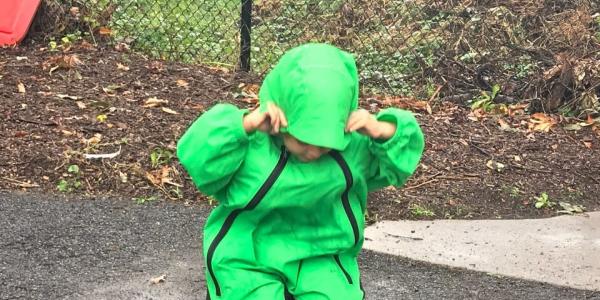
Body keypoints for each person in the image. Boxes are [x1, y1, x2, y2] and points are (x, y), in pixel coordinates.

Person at [177, 43, 424, 300]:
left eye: (325, 143)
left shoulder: (352, 148)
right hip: (248, 251)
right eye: (304, 140)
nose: (314, 151)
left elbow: (400, 161)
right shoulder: (251, 144)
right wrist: (245, 124)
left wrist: (381, 131)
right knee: (246, 292)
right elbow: (197, 157)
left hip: (322, 251)